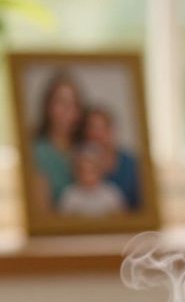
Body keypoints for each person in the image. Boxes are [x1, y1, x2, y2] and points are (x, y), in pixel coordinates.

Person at [31, 70, 84, 212]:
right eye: (61, 102)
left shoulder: (85, 148)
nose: (68, 110)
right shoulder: (38, 152)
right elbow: (42, 211)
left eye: (73, 104)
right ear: (48, 107)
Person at [81, 106, 141, 210]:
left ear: (111, 130)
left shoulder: (130, 164)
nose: (97, 134)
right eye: (92, 128)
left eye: (102, 128)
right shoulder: (80, 162)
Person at [58, 146, 126, 217]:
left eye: (92, 171)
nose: (87, 176)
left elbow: (121, 218)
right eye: (83, 171)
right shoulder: (70, 195)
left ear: (100, 171)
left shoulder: (111, 193)